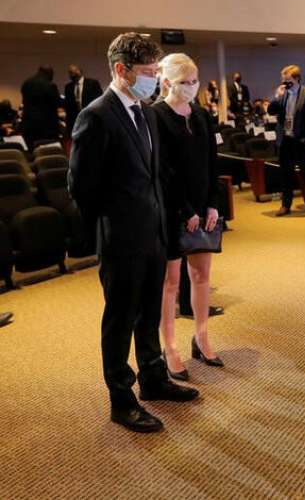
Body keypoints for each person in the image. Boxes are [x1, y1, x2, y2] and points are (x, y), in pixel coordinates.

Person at [68, 32, 198, 434]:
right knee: (120, 318)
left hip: (154, 233)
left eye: (157, 71)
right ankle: (121, 400)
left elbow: (154, 175)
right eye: (146, 72)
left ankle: (153, 378)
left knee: (148, 314)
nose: (154, 79)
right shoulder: (97, 114)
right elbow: (81, 186)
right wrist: (111, 226)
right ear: (121, 70)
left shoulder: (144, 111)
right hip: (122, 238)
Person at [153, 53, 223, 382]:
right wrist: (185, 210)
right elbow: (163, 170)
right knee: (170, 283)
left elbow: (212, 163)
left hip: (202, 207)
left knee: (201, 277)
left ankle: (202, 336)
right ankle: (169, 347)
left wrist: (211, 204)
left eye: (195, 81)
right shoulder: (156, 116)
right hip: (171, 209)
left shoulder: (201, 115)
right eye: (185, 82)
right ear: (167, 82)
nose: (192, 88)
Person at [267, 64, 305, 219]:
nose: (285, 83)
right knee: (286, 174)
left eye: (288, 80)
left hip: (302, 140)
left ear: (297, 79)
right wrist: (277, 96)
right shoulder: (283, 94)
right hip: (286, 140)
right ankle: (286, 205)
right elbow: (271, 111)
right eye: (283, 80)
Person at [20, 66, 61, 147]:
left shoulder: (26, 83)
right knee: (48, 151)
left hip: (29, 124)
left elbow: (25, 101)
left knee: (31, 151)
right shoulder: (50, 85)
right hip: (47, 126)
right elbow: (57, 103)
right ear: (49, 73)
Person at [64, 65, 102, 138]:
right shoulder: (68, 87)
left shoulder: (92, 83)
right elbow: (68, 107)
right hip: (75, 121)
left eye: (72, 72)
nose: (70, 75)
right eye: (69, 73)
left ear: (79, 71)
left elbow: (99, 100)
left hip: (90, 119)